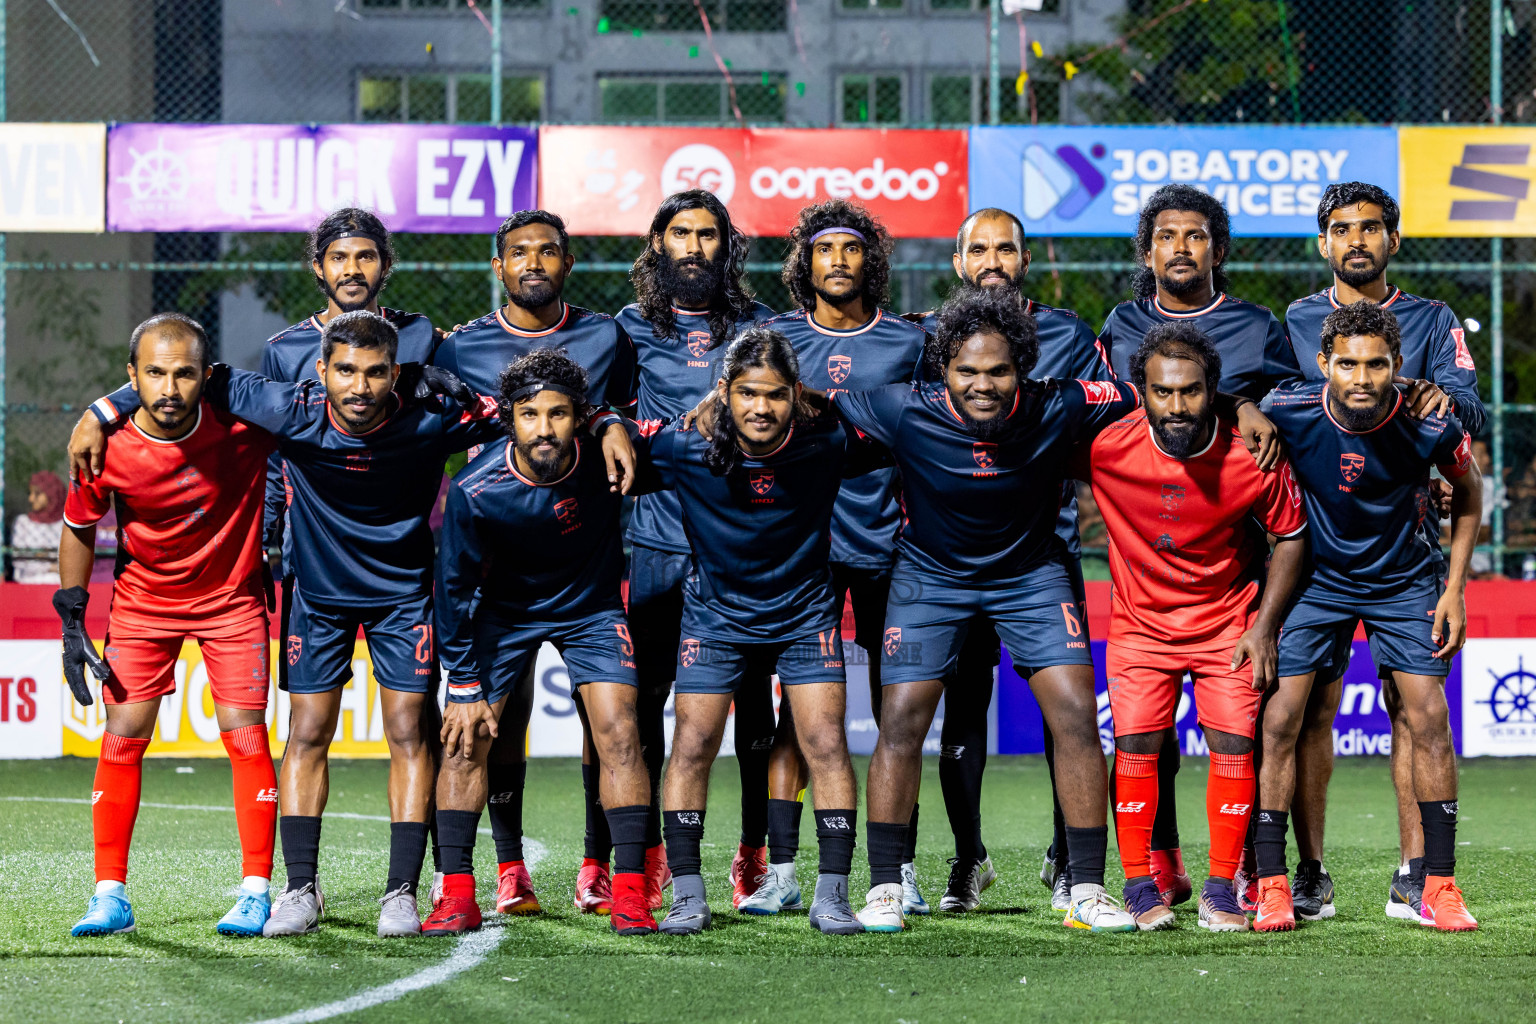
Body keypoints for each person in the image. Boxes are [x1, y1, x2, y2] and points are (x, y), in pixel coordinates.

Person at [75, 311, 505, 938]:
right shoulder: (287, 408)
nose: (359, 386)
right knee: (306, 732)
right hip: (317, 596)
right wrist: (99, 411)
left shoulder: (431, 416)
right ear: (321, 370)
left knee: (409, 729)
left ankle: (401, 894)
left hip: (404, 596)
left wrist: (601, 423)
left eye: (377, 372)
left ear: (394, 374)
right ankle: (300, 888)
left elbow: (529, 412)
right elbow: (185, 377)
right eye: (346, 371)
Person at [830, 287, 1146, 934]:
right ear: (943, 368)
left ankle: (1087, 888)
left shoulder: (1059, 401)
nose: (983, 385)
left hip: (1031, 575)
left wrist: (1241, 407)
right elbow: (816, 406)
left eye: (999, 371)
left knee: (1076, 714)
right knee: (901, 719)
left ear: (1022, 368)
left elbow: (1147, 396)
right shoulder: (902, 406)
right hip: (930, 577)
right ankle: (885, 887)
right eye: (966, 371)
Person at [1281, 182, 1490, 922]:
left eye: (1371, 228)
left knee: (1412, 705)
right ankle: (1309, 872)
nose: (1357, 240)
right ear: (1323, 243)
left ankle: (1415, 872)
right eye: (1342, 229)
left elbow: (1468, 413)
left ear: (1393, 240)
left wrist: (1433, 400)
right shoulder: (1296, 319)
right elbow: (1278, 412)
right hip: (1317, 549)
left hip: (1408, 546)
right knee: (1311, 708)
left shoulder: (1432, 319)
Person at [1098, 183, 1302, 908]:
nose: (1181, 247)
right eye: (1166, 235)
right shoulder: (1121, 325)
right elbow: (1103, 412)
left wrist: (1244, 406)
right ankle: (1156, 867)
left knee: (1246, 736)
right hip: (1147, 581)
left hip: (1227, 568)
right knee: (1145, 742)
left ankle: (1239, 874)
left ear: (1218, 248)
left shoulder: (1256, 324)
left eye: (1195, 235)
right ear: (1147, 251)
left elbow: (1293, 404)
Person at [432, 208, 638, 917]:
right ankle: (503, 871)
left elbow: (624, 409)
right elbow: (438, 427)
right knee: (490, 725)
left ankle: (603, 871)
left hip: (585, 568)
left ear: (567, 263)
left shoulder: (606, 335)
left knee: (610, 726)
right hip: (502, 572)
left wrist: (610, 421)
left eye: (547, 251)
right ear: (499, 267)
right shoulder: (460, 348)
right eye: (518, 252)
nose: (533, 263)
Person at [918, 208, 1117, 915]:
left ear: (1025, 261)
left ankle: (1068, 861)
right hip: (953, 554)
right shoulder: (931, 338)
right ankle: (968, 859)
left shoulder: (1068, 334)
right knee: (964, 706)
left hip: (1043, 553)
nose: (993, 261)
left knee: (1067, 712)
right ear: (958, 262)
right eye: (979, 248)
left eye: (1006, 248)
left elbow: (1113, 422)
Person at [59, 313, 278, 938]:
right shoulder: (105, 443)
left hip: (231, 598)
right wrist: (72, 619)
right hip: (143, 602)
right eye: (154, 373)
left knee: (246, 737)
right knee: (122, 734)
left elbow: (320, 418)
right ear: (132, 376)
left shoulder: (244, 427)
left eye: (184, 374)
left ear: (206, 376)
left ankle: (256, 892)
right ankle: (110, 896)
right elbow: (78, 526)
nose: (169, 388)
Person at [643, 328, 867, 937]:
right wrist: (610, 423)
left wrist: (827, 400)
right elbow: (613, 445)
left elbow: (899, 424)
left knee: (826, 743)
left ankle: (832, 896)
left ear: (796, 394)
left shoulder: (829, 439)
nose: (760, 408)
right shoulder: (683, 445)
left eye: (774, 394)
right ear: (724, 392)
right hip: (715, 617)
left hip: (804, 614)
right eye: (747, 393)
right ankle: (688, 896)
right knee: (693, 745)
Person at [744, 199, 931, 917]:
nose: (839, 261)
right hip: (805, 552)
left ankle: (899, 868)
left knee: (897, 715)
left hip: (893, 547)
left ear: (870, 261)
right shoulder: (776, 339)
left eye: (852, 248)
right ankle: (783, 871)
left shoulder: (909, 342)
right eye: (824, 249)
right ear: (805, 263)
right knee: (798, 717)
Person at [617, 190, 778, 914]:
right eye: (679, 233)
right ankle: (652, 858)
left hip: (741, 549)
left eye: (707, 234)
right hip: (657, 543)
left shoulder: (760, 326)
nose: (693, 246)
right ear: (659, 244)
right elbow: (604, 411)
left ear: (726, 245)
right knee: (647, 704)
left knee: (753, 710)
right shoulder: (627, 329)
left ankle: (754, 855)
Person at [12, 470, 66, 583]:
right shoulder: (23, 523)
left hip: (57, 583)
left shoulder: (64, 525)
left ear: (51, 494)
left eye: (37, 494)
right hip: (26, 583)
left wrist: (37, 556)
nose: (31, 499)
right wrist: (50, 566)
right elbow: (19, 561)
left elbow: (69, 562)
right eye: (30, 493)